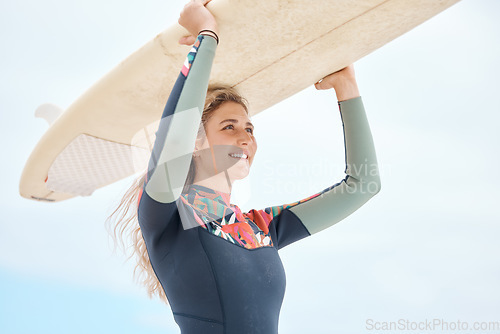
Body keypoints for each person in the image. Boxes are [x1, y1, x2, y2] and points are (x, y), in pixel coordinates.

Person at [106, 0, 381, 333]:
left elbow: (362, 184)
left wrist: (346, 85)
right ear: (196, 141)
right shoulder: (167, 212)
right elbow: (173, 139)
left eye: (249, 129)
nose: (245, 138)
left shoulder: (262, 229)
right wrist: (206, 37)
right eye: (229, 127)